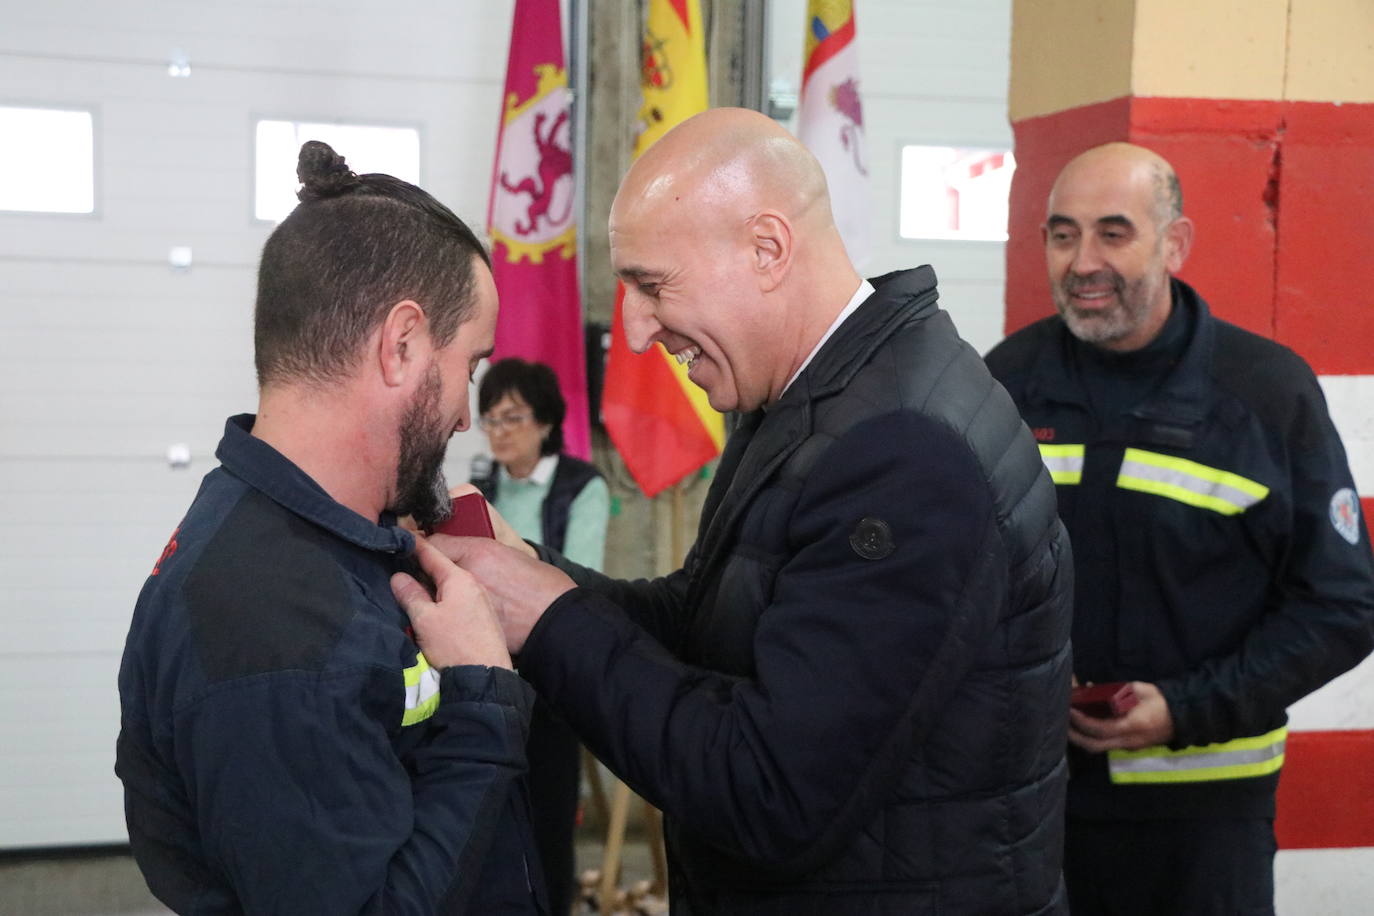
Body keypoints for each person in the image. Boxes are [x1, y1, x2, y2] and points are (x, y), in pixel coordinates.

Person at [439, 107, 1074, 914]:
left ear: (767, 249)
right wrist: (529, 571)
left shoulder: (904, 455)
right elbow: (705, 619)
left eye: (651, 285)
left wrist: (552, 620)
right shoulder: (817, 399)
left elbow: (771, 789)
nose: (633, 332)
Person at [115, 141, 547, 915]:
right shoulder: (274, 631)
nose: (464, 415)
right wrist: (483, 705)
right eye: (470, 368)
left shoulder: (323, 548)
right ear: (403, 344)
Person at [983, 142, 1374, 915]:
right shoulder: (1007, 383)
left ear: (1176, 243)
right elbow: (956, 579)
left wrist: (1188, 707)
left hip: (1205, 827)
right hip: (1027, 809)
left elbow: (1341, 607)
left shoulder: (1266, 394)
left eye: (1114, 233)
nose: (1083, 260)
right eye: (1063, 235)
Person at [472, 357, 610, 916]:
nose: (499, 432)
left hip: (549, 680)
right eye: (489, 420)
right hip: (485, 669)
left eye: (512, 418)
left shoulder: (583, 486)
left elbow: (573, 581)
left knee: (548, 826)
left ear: (546, 422)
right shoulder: (479, 490)